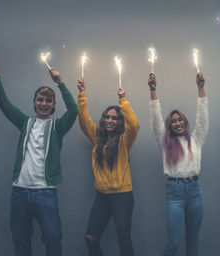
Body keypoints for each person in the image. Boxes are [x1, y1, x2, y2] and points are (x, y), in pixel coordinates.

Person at [0, 59, 78, 256]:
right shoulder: (25, 122)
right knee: (20, 241)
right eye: (40, 100)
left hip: (45, 193)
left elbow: (74, 111)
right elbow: (3, 104)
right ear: (34, 102)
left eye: (48, 101)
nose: (44, 104)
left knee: (53, 239)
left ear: (53, 105)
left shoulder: (58, 127)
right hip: (19, 192)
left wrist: (60, 83)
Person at [77, 78, 139, 256]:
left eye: (114, 118)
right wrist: (81, 94)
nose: (110, 120)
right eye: (107, 117)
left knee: (124, 241)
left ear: (119, 122)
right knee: (90, 237)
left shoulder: (124, 140)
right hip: (102, 197)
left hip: (122, 196)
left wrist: (123, 100)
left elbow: (134, 124)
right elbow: (83, 120)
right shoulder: (97, 137)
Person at [148, 72, 208, 256]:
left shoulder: (196, 139)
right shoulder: (165, 143)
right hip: (175, 193)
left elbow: (203, 117)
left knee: (193, 244)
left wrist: (200, 88)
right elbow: (156, 119)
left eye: (180, 119)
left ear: (185, 122)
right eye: (173, 121)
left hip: (195, 191)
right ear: (170, 126)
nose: (177, 122)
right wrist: (153, 90)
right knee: (173, 244)